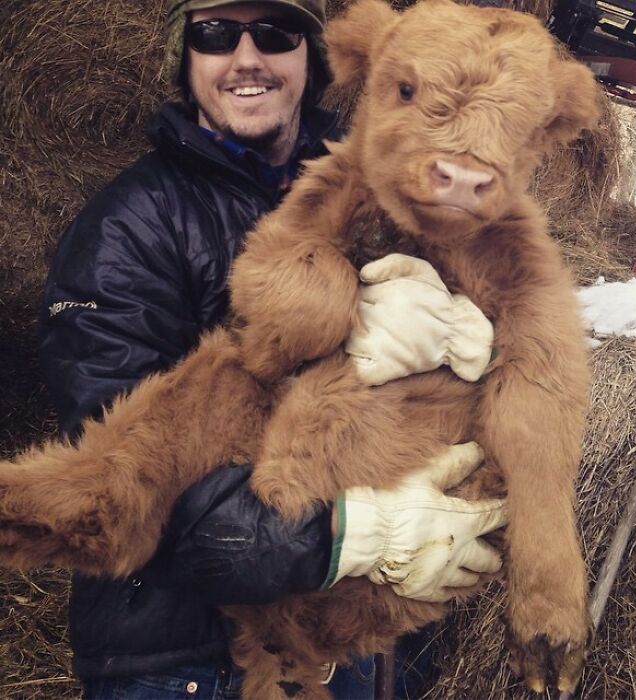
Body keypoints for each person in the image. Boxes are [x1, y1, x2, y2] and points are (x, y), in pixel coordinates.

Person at [37, 1, 506, 697]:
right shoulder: (128, 227)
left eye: (276, 33)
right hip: (190, 656)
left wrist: (474, 334)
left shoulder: (388, 187)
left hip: (364, 636)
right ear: (186, 58)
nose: (247, 57)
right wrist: (344, 535)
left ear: (310, 55)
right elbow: (123, 479)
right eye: (217, 34)